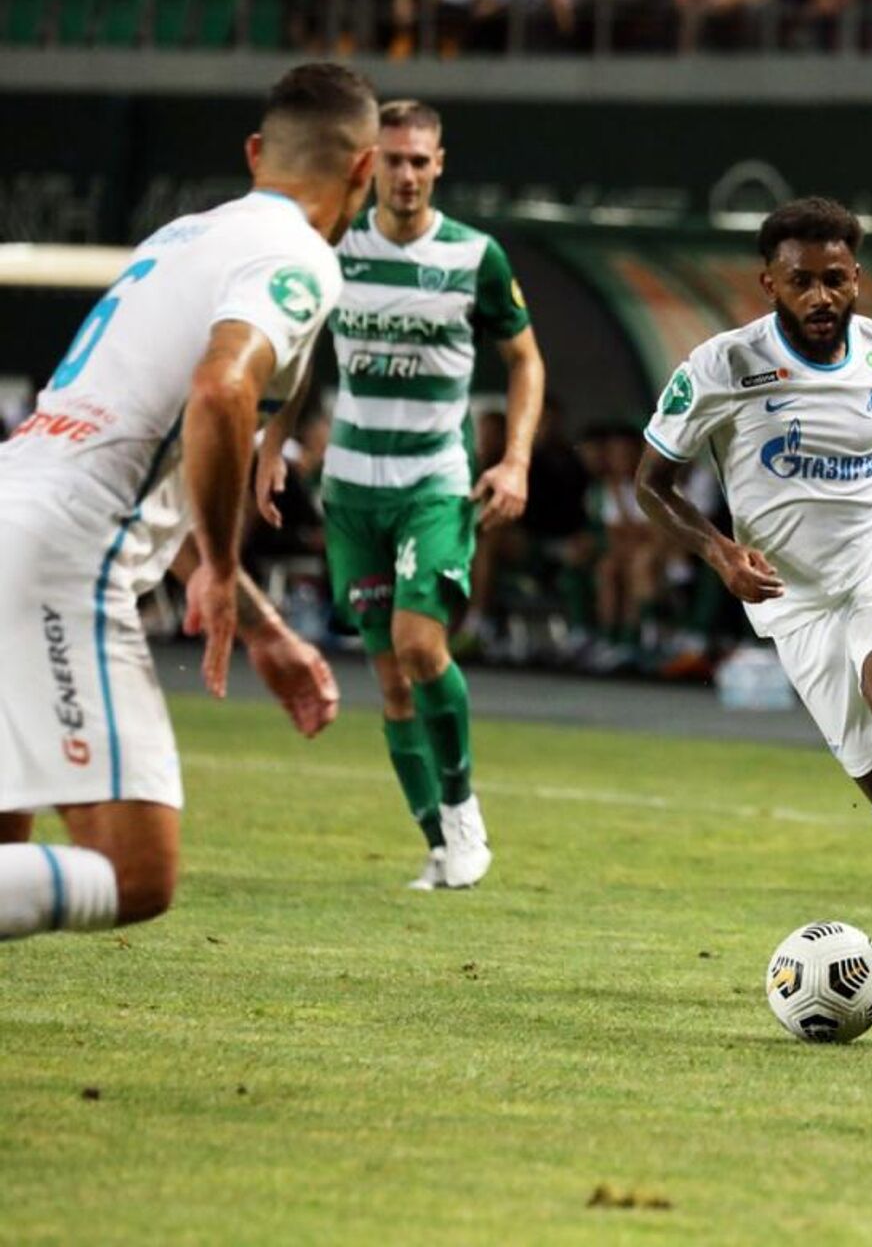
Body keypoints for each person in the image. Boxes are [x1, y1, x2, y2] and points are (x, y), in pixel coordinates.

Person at [0, 62, 371, 943]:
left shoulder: (180, 236)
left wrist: (260, 623)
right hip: (61, 556)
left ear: (254, 153)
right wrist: (228, 561)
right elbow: (218, 391)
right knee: (135, 872)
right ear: (361, 172)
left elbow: (145, 458)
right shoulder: (299, 261)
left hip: (17, 503)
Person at [635, 197, 872, 946]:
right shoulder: (723, 364)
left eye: (836, 280)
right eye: (802, 281)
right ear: (769, 282)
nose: (821, 298)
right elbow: (652, 482)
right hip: (792, 596)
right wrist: (720, 552)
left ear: (857, 277)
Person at [260, 98, 547, 892]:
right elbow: (296, 351)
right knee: (389, 681)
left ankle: (462, 815)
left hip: (433, 481)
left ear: (439, 165)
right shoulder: (331, 249)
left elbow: (525, 361)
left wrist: (514, 459)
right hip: (350, 489)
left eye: (421, 161)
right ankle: (438, 844)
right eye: (394, 160)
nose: (408, 175)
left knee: (422, 648)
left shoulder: (474, 256)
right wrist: (275, 445)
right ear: (369, 165)